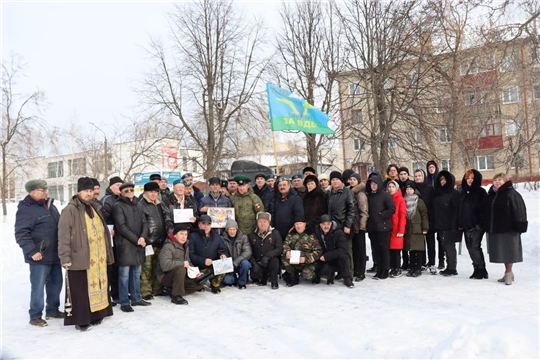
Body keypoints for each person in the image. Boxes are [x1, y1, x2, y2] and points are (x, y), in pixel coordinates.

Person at [58, 177, 114, 331]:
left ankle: (97, 314)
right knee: (81, 290)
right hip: (79, 256)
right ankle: (81, 320)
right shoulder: (70, 210)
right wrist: (65, 257)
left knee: (99, 286)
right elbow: (63, 235)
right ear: (78, 192)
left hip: (98, 257)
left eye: (91, 191)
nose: (89, 194)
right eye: (85, 191)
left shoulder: (95, 207)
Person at [15, 179, 63, 327]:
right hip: (39, 255)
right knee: (38, 286)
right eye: (42, 190)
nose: (46, 192)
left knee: (56, 284)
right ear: (33, 192)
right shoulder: (26, 209)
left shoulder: (50, 206)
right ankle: (35, 315)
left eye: (45, 189)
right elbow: (21, 233)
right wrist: (32, 251)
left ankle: (52, 310)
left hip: (55, 253)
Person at [482, 173, 528, 285]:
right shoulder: (492, 194)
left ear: (505, 181)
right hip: (497, 228)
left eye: (500, 180)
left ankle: (508, 273)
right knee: (502, 252)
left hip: (509, 228)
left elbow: (520, 209)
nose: (497, 182)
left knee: (509, 251)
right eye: (495, 180)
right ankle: (508, 272)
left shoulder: (511, 193)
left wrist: (520, 225)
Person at [112, 182, 151, 312]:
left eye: (131, 190)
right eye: (126, 191)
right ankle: (124, 301)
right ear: (121, 193)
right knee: (124, 275)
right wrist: (137, 239)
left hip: (139, 244)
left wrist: (143, 237)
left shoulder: (139, 204)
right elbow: (121, 227)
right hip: (125, 245)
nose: (129, 192)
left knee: (136, 273)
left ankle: (136, 298)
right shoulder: (118, 206)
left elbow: (145, 223)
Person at [157, 224, 204, 305]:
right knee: (180, 268)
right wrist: (182, 264)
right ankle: (176, 295)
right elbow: (165, 265)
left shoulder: (185, 246)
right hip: (165, 276)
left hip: (180, 276)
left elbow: (188, 263)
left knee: (199, 283)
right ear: (175, 235)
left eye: (185, 234)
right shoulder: (168, 246)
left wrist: (196, 273)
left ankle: (171, 289)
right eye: (181, 234)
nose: (184, 237)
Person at [137, 181, 167, 300]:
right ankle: (146, 291)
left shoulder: (160, 204)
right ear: (145, 192)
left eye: (155, 192)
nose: (154, 194)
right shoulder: (141, 205)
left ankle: (156, 289)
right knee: (146, 268)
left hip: (159, 240)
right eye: (151, 192)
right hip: (148, 242)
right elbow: (140, 223)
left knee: (157, 267)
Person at [457, 169, 488, 280]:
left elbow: (484, 210)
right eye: (468, 178)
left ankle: (481, 269)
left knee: (475, 247)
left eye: (472, 178)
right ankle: (477, 268)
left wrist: (479, 224)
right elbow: (460, 209)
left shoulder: (481, 192)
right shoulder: (463, 192)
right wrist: (460, 223)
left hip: (477, 226)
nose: (470, 180)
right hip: (466, 225)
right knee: (470, 248)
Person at [188, 215, 229, 294]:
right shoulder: (193, 236)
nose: (206, 227)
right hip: (199, 267)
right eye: (204, 224)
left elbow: (223, 249)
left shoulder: (216, 237)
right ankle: (200, 284)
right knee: (196, 286)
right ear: (199, 224)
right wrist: (203, 261)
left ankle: (215, 284)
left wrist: (223, 254)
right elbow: (191, 255)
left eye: (208, 224)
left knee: (224, 263)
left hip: (212, 265)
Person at [365, 174, 395, 280]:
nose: (373, 186)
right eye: (371, 184)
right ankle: (379, 269)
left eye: (375, 184)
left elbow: (392, 208)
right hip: (372, 227)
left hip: (383, 227)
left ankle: (385, 269)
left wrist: (382, 215)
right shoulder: (369, 196)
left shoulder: (385, 195)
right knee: (376, 249)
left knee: (384, 249)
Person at [327, 171, 357, 275]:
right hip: (331, 226)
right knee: (335, 250)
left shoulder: (347, 192)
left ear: (341, 181)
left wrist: (348, 225)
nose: (335, 182)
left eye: (337, 179)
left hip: (343, 225)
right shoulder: (329, 193)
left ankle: (349, 272)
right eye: (333, 179)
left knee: (346, 250)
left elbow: (352, 209)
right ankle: (340, 271)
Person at [99, 176, 123, 303]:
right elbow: (104, 219)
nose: (119, 187)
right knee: (111, 268)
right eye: (117, 185)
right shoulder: (107, 200)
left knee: (118, 266)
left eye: (121, 185)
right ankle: (112, 294)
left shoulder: (121, 199)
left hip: (120, 238)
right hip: (110, 238)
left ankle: (118, 292)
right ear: (110, 186)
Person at [281, 215, 323, 286]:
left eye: (300, 224)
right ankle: (293, 276)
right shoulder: (291, 234)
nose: (299, 226)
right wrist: (287, 251)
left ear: (305, 224)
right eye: (296, 224)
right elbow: (285, 244)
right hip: (295, 260)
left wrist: (306, 259)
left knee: (307, 275)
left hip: (308, 262)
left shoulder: (311, 235)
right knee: (283, 257)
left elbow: (319, 251)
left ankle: (315, 276)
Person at [432, 171, 460, 276]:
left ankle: (452, 268)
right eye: (441, 180)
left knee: (449, 246)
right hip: (440, 224)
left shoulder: (454, 193)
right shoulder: (438, 193)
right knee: (444, 246)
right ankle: (449, 266)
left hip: (449, 225)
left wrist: (454, 225)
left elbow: (456, 211)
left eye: (444, 180)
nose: (443, 182)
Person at [313, 214, 354, 287]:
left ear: (331, 223)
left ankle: (347, 278)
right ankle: (329, 274)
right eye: (323, 224)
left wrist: (327, 256)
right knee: (324, 272)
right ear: (320, 225)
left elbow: (343, 249)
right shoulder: (317, 232)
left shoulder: (338, 233)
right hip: (325, 260)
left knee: (344, 257)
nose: (326, 226)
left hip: (337, 259)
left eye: (328, 224)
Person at [248, 212, 283, 289]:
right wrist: (253, 262)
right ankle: (261, 277)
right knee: (255, 276)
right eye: (260, 221)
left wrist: (267, 256)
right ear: (257, 222)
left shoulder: (275, 233)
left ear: (269, 223)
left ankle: (274, 281)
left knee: (275, 261)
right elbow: (249, 251)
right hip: (258, 261)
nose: (262, 224)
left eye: (265, 222)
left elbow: (279, 248)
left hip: (270, 260)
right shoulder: (252, 235)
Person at [403, 181, 429, 277]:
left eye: (411, 189)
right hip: (408, 228)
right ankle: (412, 268)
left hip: (417, 228)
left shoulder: (418, 201)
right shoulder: (404, 200)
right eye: (407, 189)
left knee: (418, 249)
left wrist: (425, 227)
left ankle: (418, 268)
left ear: (414, 190)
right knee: (411, 250)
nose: (409, 191)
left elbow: (424, 214)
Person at [414, 169, 437, 274]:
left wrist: (432, 220)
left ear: (423, 177)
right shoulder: (413, 188)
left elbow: (433, 204)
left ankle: (432, 263)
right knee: (420, 243)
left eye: (419, 175)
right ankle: (422, 263)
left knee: (430, 243)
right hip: (417, 221)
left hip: (429, 219)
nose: (418, 177)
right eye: (416, 176)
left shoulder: (430, 188)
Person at [268, 176, 304, 240]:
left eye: (284, 185)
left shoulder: (296, 198)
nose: (282, 187)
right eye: (280, 185)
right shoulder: (275, 199)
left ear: (289, 186)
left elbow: (299, 214)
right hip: (277, 232)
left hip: (291, 232)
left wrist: (295, 227)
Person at [221, 219, 252, 289]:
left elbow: (247, 252)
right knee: (227, 280)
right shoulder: (222, 239)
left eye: (234, 229)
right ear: (227, 230)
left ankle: (242, 282)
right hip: (228, 266)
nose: (232, 232)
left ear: (237, 229)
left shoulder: (243, 237)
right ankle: (233, 278)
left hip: (239, 263)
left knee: (245, 263)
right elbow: (220, 251)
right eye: (230, 229)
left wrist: (235, 262)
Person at [349, 173, 369, 282]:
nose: (352, 181)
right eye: (350, 179)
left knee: (361, 250)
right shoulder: (350, 192)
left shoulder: (360, 194)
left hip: (359, 226)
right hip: (351, 226)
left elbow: (364, 212)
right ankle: (356, 269)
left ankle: (362, 272)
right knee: (354, 249)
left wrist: (362, 226)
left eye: (354, 179)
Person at [387, 180, 406, 277]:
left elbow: (402, 215)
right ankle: (393, 267)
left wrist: (401, 230)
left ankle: (397, 268)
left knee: (396, 250)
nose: (391, 188)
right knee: (390, 249)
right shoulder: (387, 198)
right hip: (389, 227)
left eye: (393, 187)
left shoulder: (400, 199)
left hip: (397, 228)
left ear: (396, 188)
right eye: (389, 186)